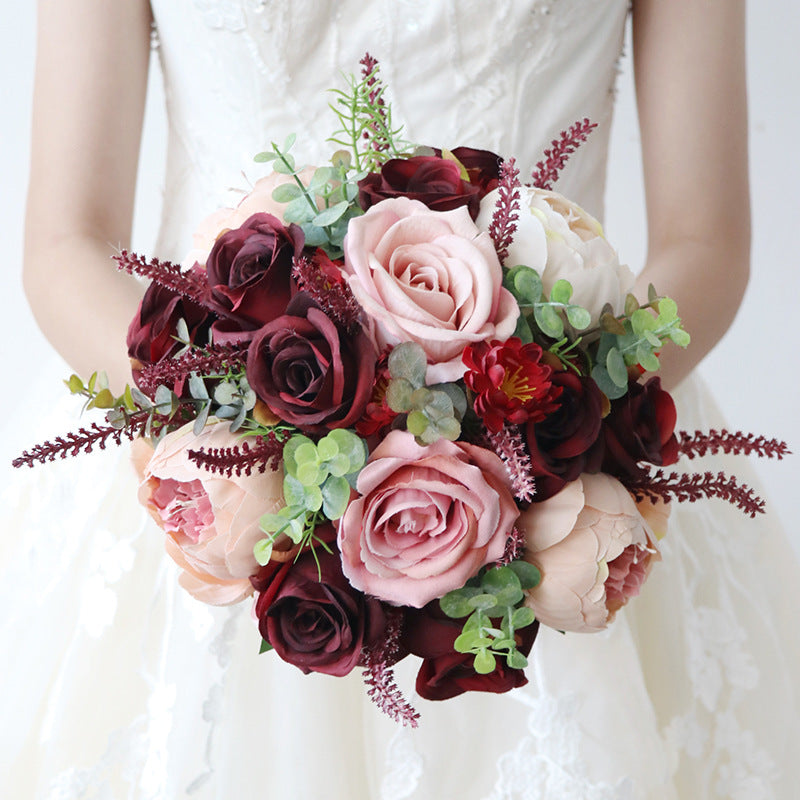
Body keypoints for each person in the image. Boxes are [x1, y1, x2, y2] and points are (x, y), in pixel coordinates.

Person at [4, 0, 799, 797]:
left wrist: (541, 425)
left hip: (558, 470)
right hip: (210, 459)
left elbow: (706, 242)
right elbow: (66, 243)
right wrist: (242, 433)